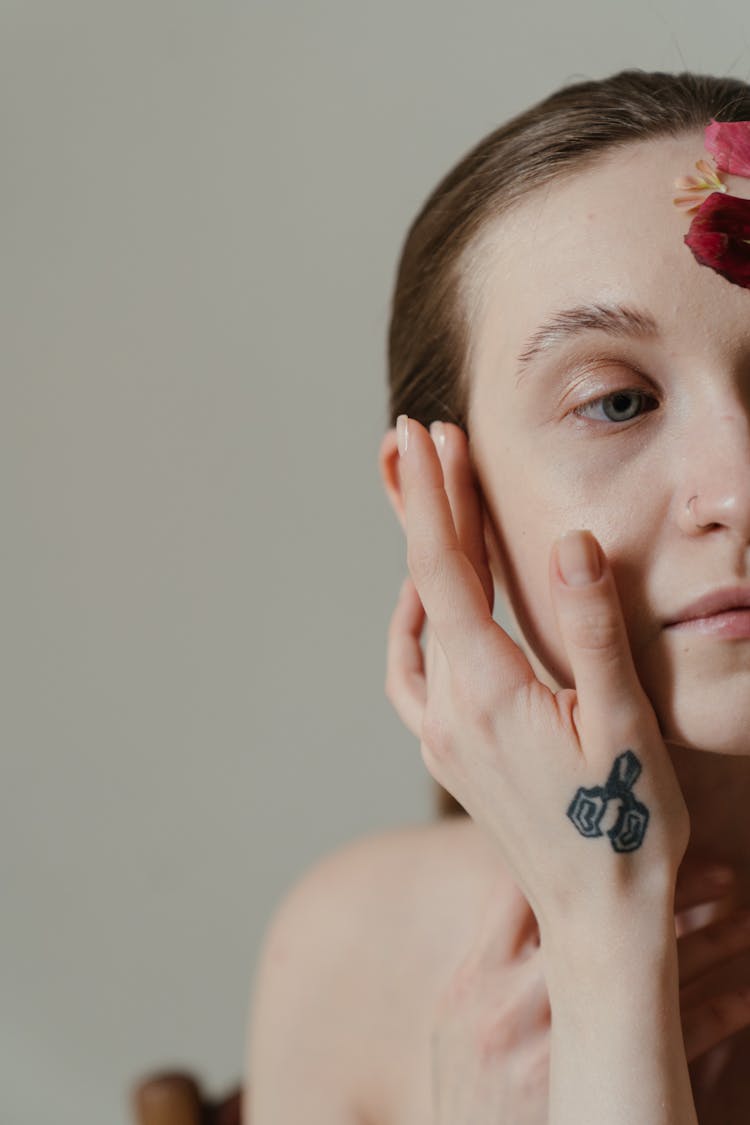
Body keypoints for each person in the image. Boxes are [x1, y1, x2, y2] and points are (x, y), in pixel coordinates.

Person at [244, 68, 750, 1124]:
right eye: (615, 401)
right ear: (449, 509)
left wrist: (604, 951)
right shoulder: (355, 949)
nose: (738, 491)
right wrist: (600, 930)